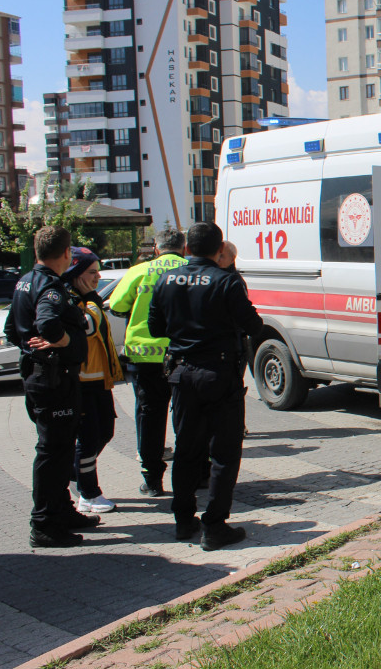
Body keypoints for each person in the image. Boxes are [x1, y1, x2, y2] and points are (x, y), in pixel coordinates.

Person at [149, 222, 263, 551]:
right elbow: (252, 325)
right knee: (224, 453)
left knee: (186, 450)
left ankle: (183, 520)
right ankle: (214, 525)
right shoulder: (226, 281)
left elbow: (156, 327)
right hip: (219, 374)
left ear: (186, 249)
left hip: (182, 373)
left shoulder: (165, 279)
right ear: (218, 251)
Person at [5, 227, 101, 547]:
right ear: (66, 254)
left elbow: (10, 330)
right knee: (53, 451)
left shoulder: (24, 281)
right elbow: (47, 323)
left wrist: (33, 348)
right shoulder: (51, 286)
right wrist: (59, 342)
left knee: (58, 449)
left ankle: (62, 510)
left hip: (41, 376)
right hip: (53, 379)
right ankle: (44, 523)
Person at [109, 229, 188, 497]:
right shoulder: (192, 268)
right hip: (183, 355)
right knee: (187, 416)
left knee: (149, 417)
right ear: (184, 247)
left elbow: (117, 305)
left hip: (145, 358)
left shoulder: (139, 271)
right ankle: (195, 474)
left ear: (156, 248)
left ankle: (152, 480)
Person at [61, 247, 124, 514]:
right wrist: (90, 302)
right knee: (87, 439)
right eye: (91, 271)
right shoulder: (72, 299)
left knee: (105, 432)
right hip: (82, 381)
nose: (98, 276)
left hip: (100, 378)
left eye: (98, 271)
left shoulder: (88, 297)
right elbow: (86, 327)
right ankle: (88, 493)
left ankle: (75, 471)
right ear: (75, 272)